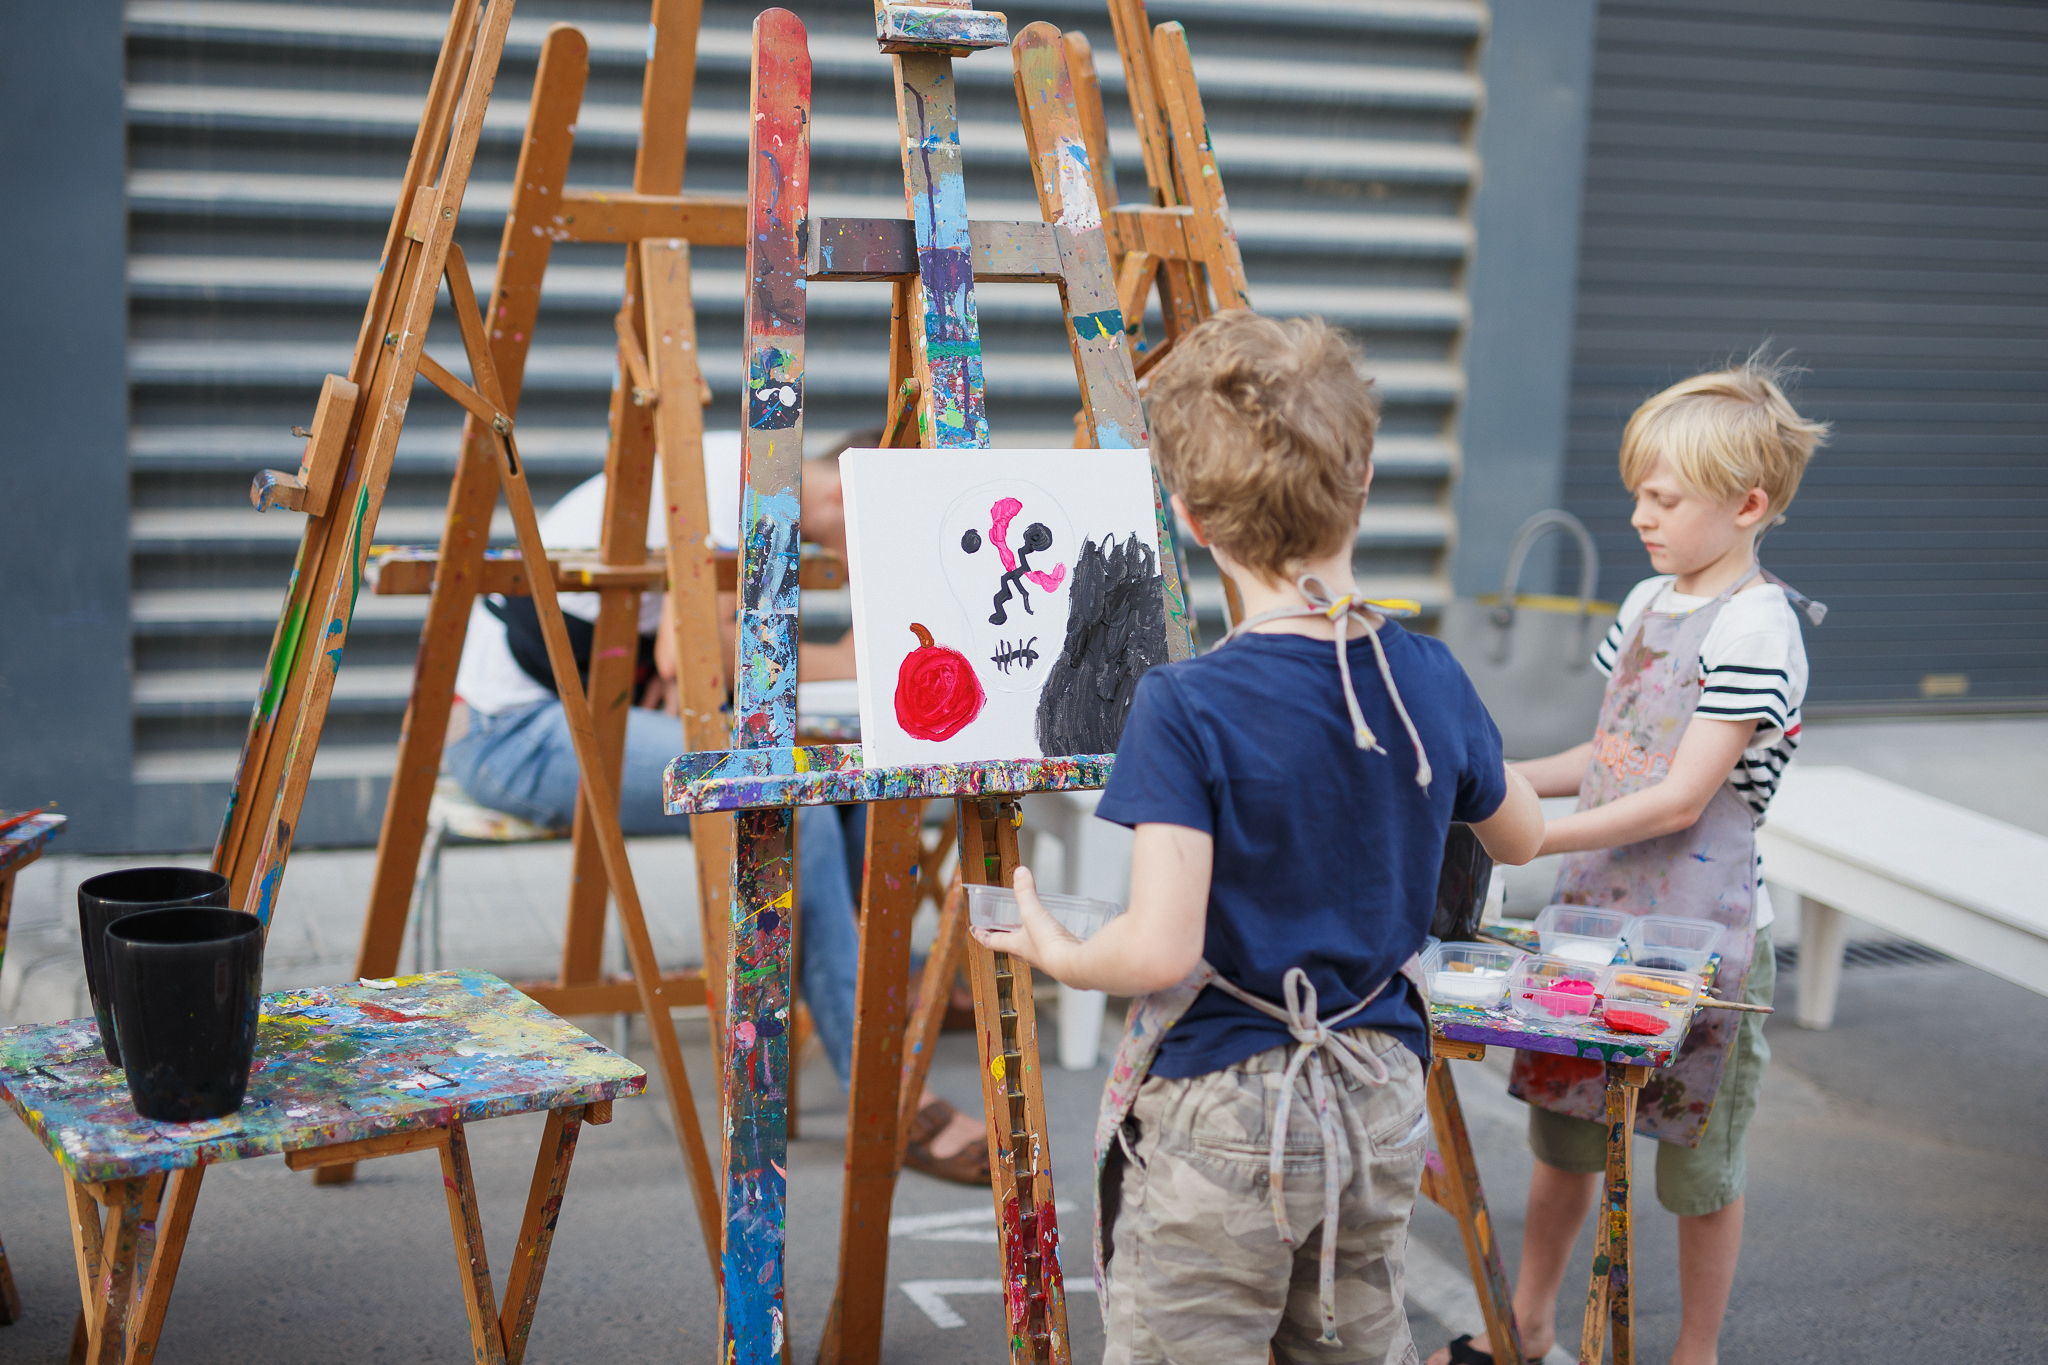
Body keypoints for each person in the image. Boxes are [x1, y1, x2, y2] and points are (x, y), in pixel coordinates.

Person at [974, 311, 1545, 1364]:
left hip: (1224, 1109)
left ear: (1188, 517)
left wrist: (1053, 947)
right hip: (1376, 1092)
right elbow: (1516, 833)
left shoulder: (1188, 705)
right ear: (1364, 473)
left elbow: (1156, 949)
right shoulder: (1427, 674)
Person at [1425, 358, 1829, 1365]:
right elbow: (1609, 757)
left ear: (1746, 505)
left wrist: (1531, 834)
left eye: (1663, 498)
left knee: (1697, 1167)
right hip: (1595, 921)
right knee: (1561, 1141)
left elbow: (1681, 795)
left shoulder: (1757, 629)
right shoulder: (1648, 598)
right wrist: (1502, 779)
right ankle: (1521, 1325)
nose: (1641, 516)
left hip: (1708, 941)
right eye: (1635, 495)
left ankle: (1692, 1355)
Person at [447, 433, 989, 1182]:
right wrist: (860, 663)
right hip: (513, 730)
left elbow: (701, 658)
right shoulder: (747, 475)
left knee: (851, 790)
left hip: (590, 704)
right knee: (791, 807)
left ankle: (875, 996)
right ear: (851, 496)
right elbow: (699, 656)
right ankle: (883, 1085)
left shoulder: (758, 471)